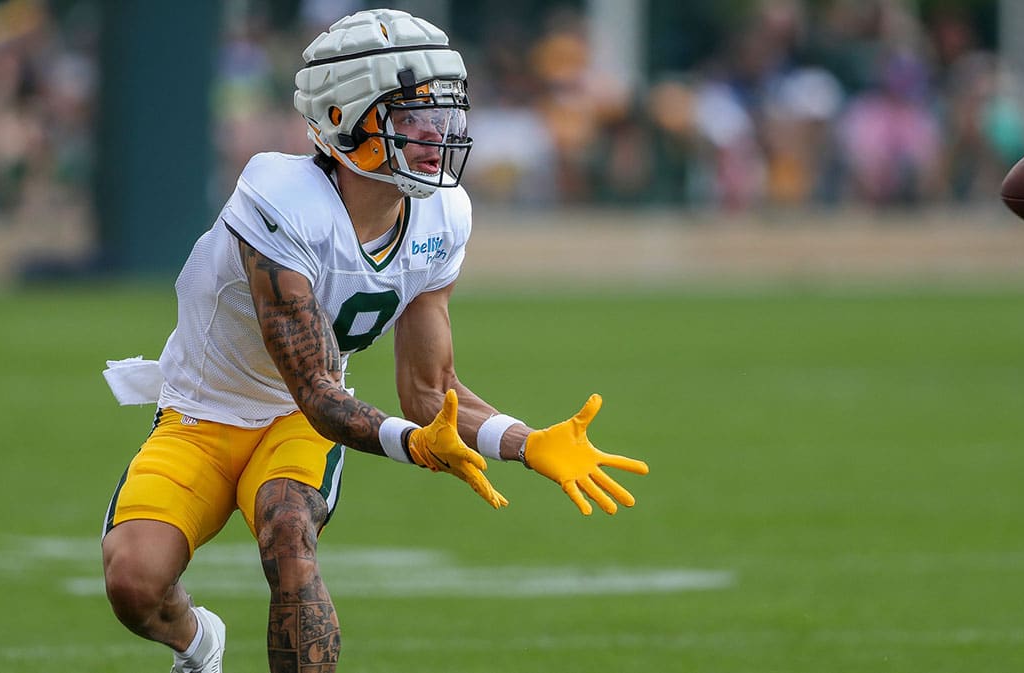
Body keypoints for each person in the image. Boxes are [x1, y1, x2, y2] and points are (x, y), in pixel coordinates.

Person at [99, 9, 649, 673]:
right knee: (134, 584)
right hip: (204, 412)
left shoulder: (443, 216)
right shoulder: (279, 196)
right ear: (342, 117)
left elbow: (428, 391)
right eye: (412, 116)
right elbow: (318, 389)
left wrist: (525, 442)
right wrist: (412, 445)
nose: (436, 134)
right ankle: (199, 644)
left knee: (289, 536)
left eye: (444, 115)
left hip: (292, 424)